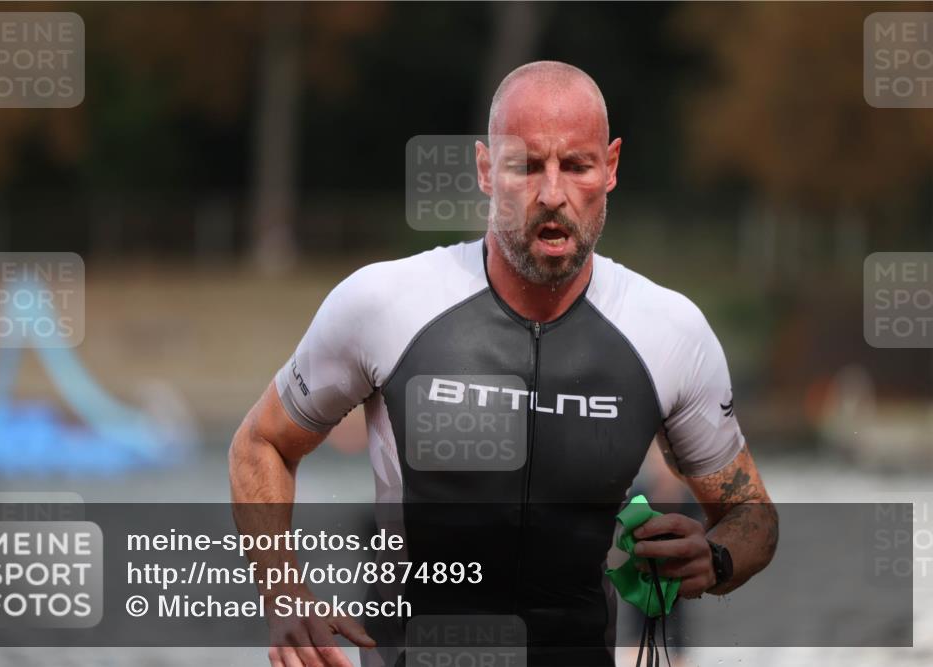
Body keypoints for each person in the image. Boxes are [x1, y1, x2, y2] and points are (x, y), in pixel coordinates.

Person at [230, 60, 779, 667]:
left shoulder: (669, 331)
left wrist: (716, 558)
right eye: (525, 165)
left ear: (611, 167)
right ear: (487, 170)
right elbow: (262, 443)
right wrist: (284, 595)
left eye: (576, 165)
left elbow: (752, 519)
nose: (551, 193)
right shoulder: (384, 304)